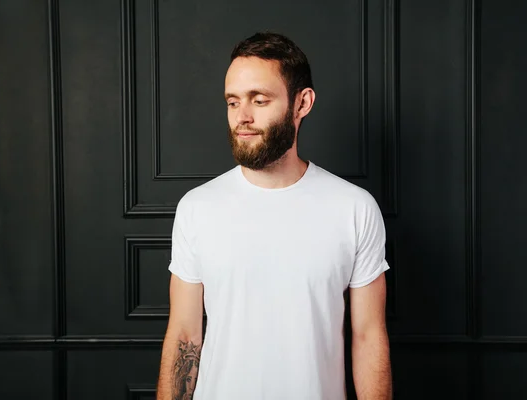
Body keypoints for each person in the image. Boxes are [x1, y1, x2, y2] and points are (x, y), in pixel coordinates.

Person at [156, 31, 392, 400]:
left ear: (302, 103)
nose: (242, 117)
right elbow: (185, 335)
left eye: (259, 100)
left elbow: (368, 336)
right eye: (232, 102)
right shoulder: (197, 208)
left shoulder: (354, 208)